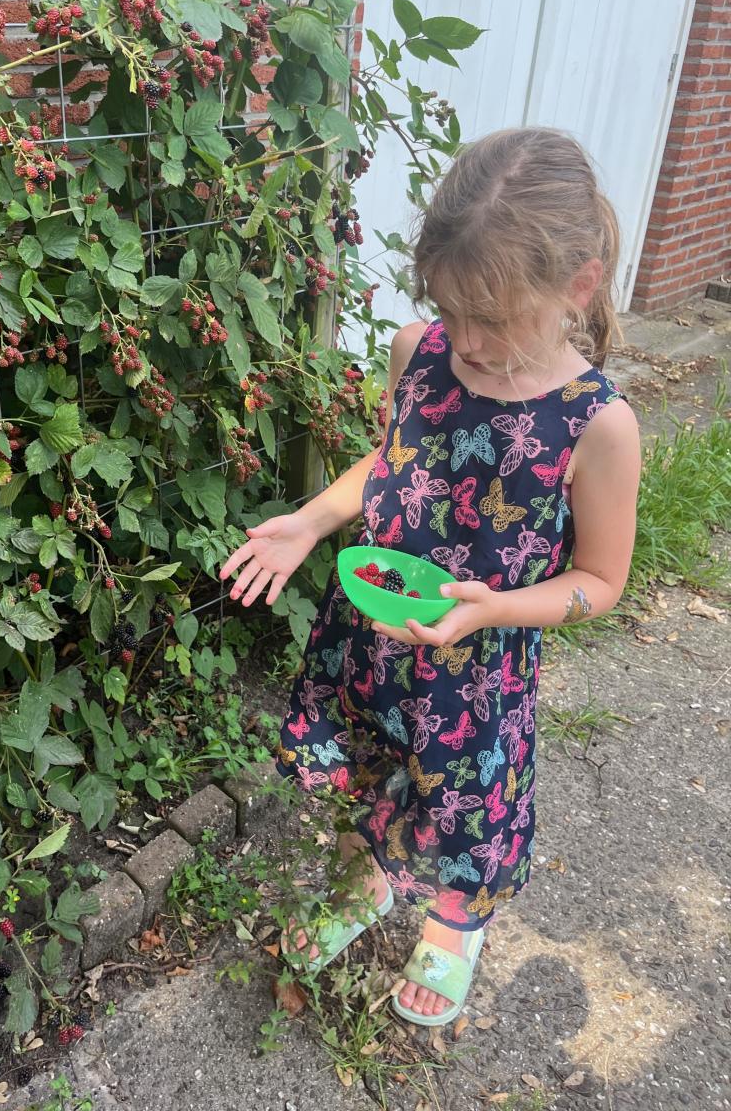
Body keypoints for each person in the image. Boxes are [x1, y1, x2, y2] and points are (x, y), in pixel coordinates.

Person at [218, 127, 642, 1027]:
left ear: (578, 286)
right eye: (453, 311)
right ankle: (366, 878)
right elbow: (391, 461)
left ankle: (454, 923)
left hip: (477, 665)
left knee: (463, 808)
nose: (469, 342)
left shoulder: (597, 424)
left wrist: (495, 610)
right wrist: (310, 522)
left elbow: (601, 580)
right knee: (368, 770)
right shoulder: (419, 350)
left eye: (495, 319)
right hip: (372, 636)